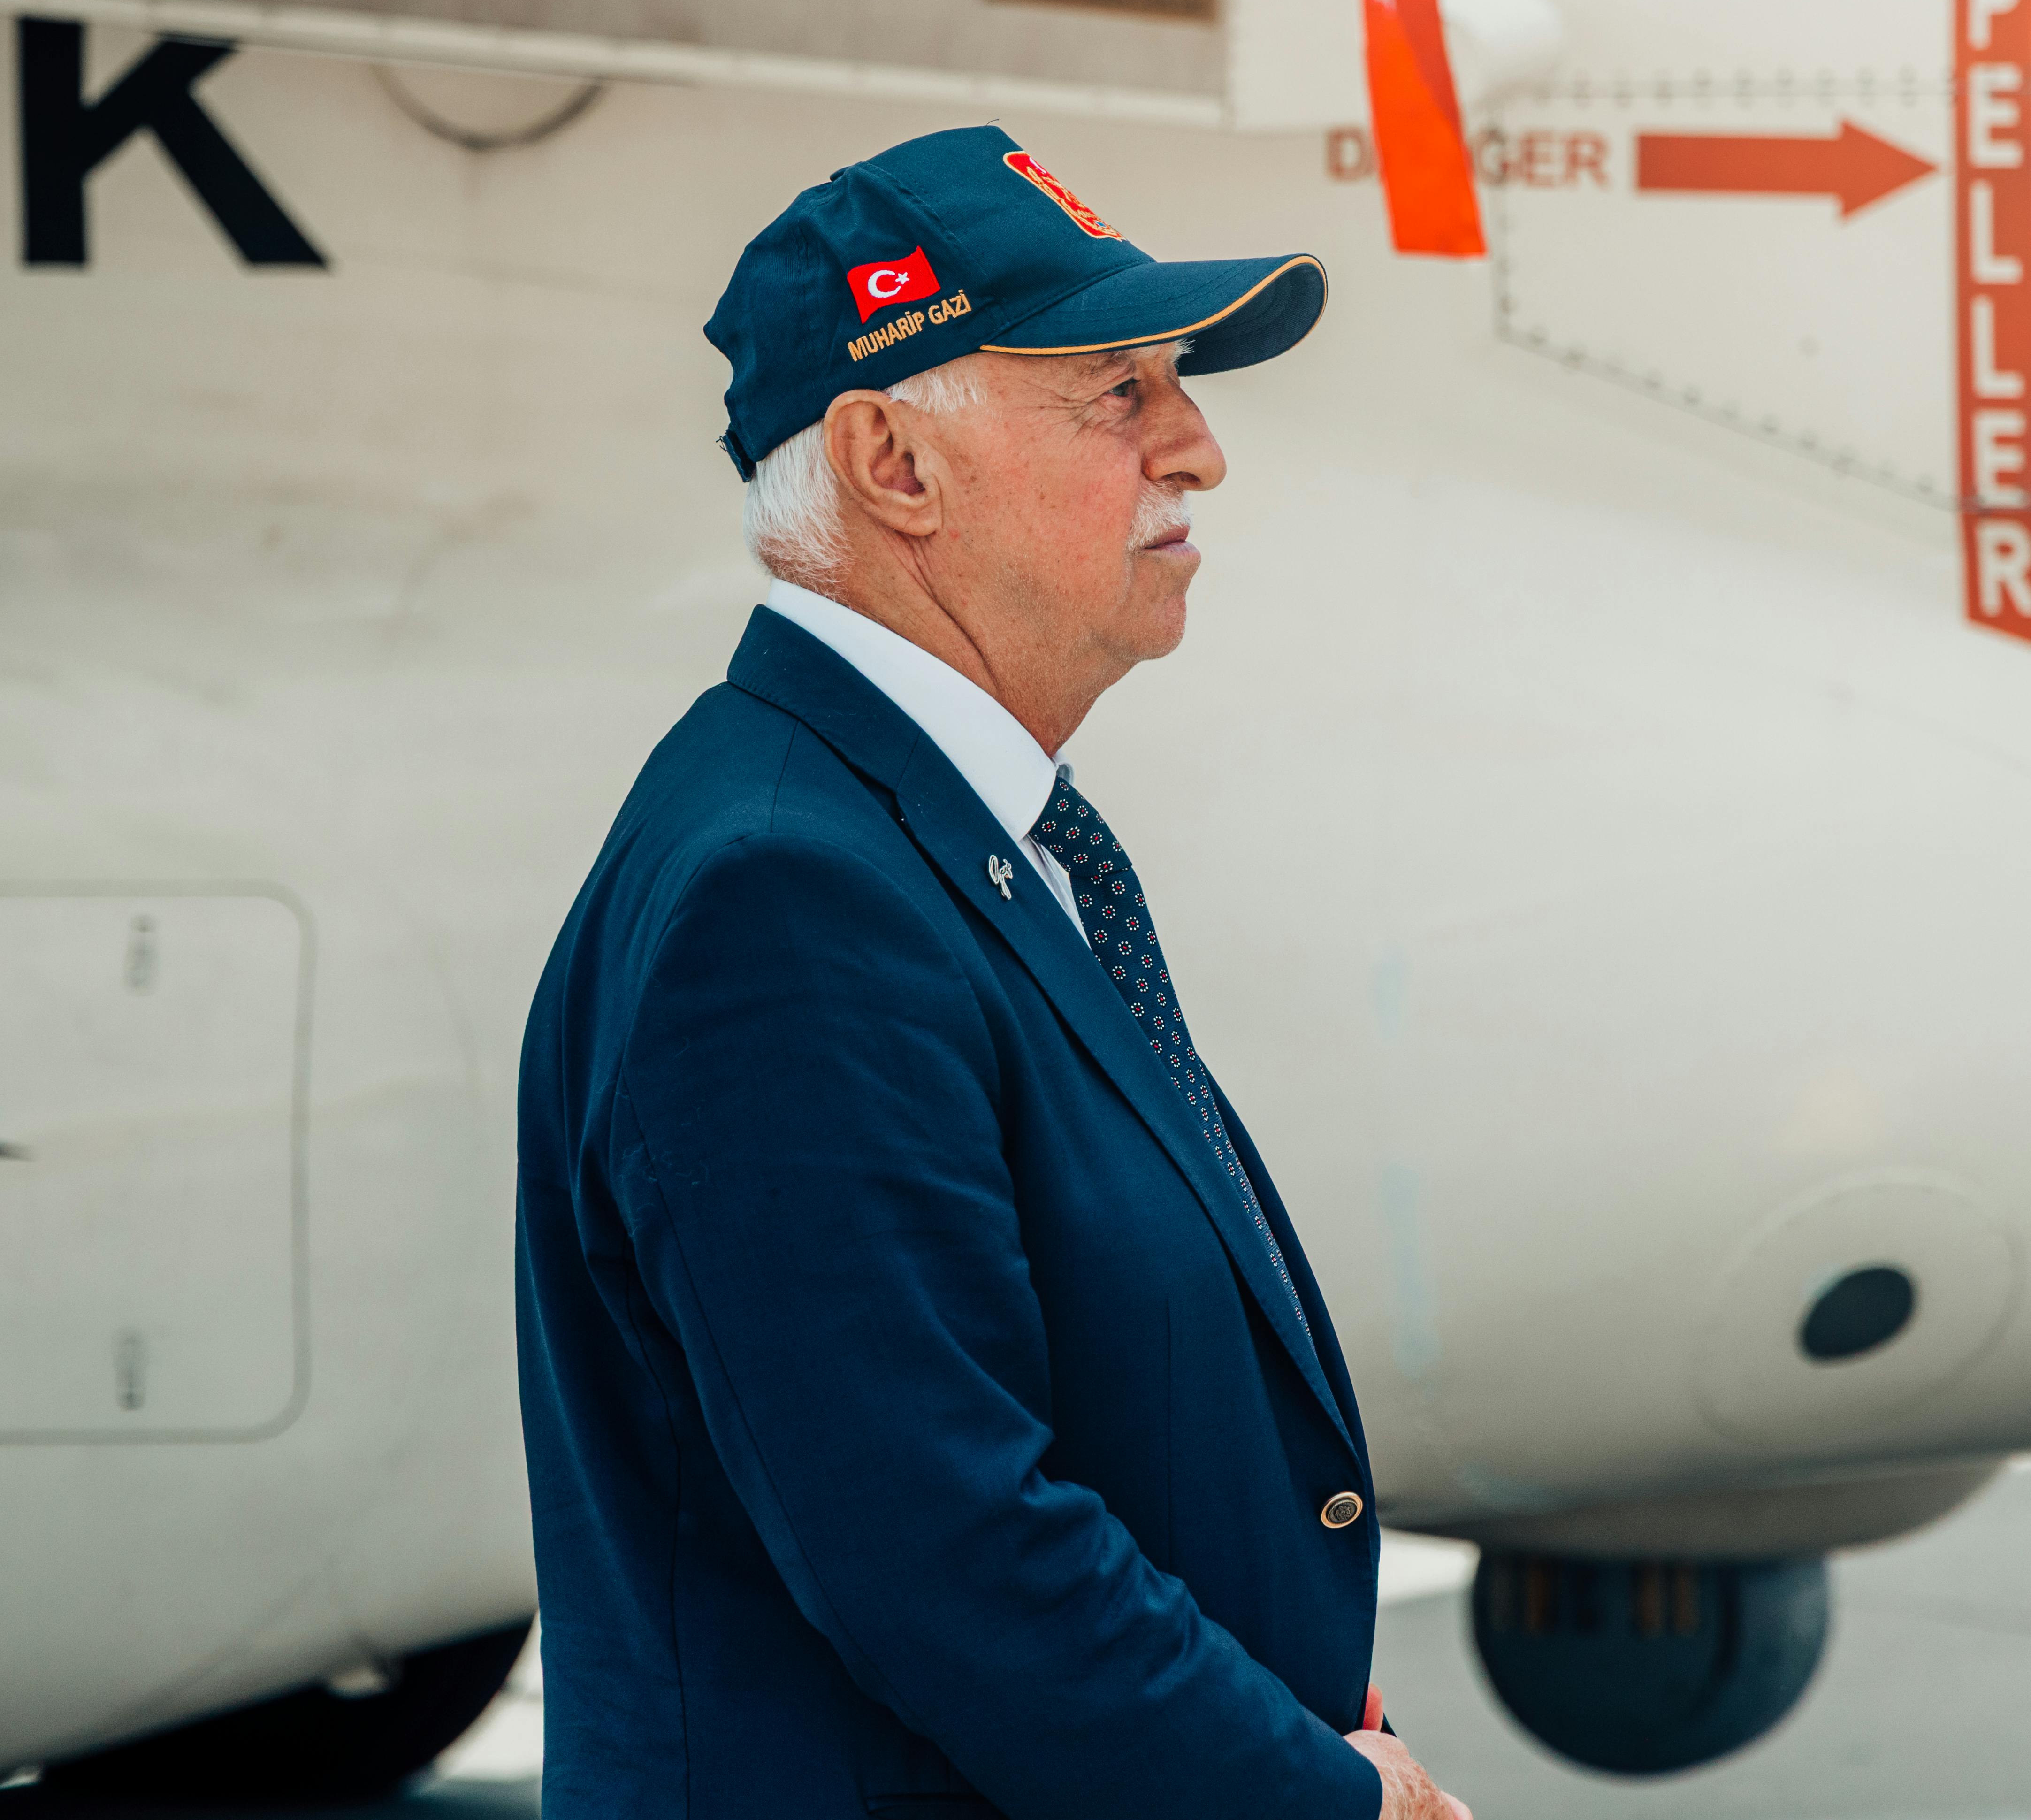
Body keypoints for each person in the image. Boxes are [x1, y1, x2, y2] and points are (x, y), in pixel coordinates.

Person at [516, 123, 1470, 1820]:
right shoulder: (787, 897)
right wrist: (1329, 1804)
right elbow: (942, 1544)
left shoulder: (934, 839)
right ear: (894, 461)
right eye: (1116, 388)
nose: (1198, 449)